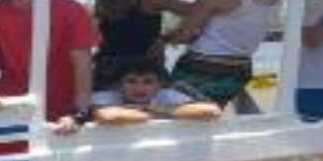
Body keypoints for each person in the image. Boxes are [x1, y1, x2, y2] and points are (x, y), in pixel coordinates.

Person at [165, 0, 282, 111]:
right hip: (239, 69)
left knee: (181, 120)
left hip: (203, 68)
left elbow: (185, 34)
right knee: (209, 119)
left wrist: (165, 38)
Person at [77, 0, 194, 90]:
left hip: (145, 73)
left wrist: (166, 39)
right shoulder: (104, 0)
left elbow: (197, 12)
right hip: (108, 72)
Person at [81, 59, 222, 128]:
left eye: (148, 82)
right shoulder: (105, 96)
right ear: (118, 86)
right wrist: (165, 115)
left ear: (159, 86)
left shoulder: (166, 94)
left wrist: (155, 111)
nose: (139, 88)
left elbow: (212, 111)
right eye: (131, 81)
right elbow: (109, 116)